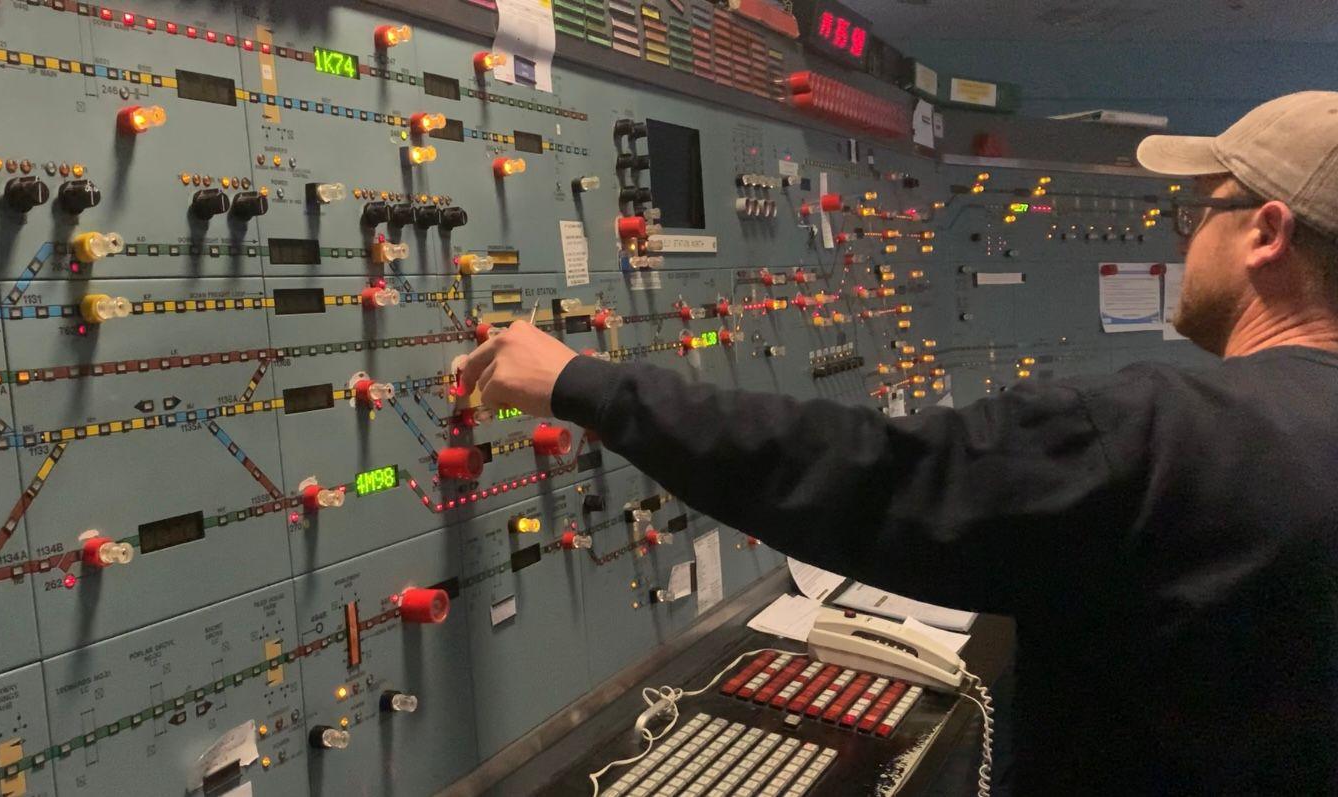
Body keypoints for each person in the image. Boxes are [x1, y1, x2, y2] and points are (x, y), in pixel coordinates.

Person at [457, 92, 1338, 794]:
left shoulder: (1157, 428)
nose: (1185, 235)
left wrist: (580, 381)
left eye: (1201, 211)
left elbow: (864, 473)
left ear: (1265, 233)